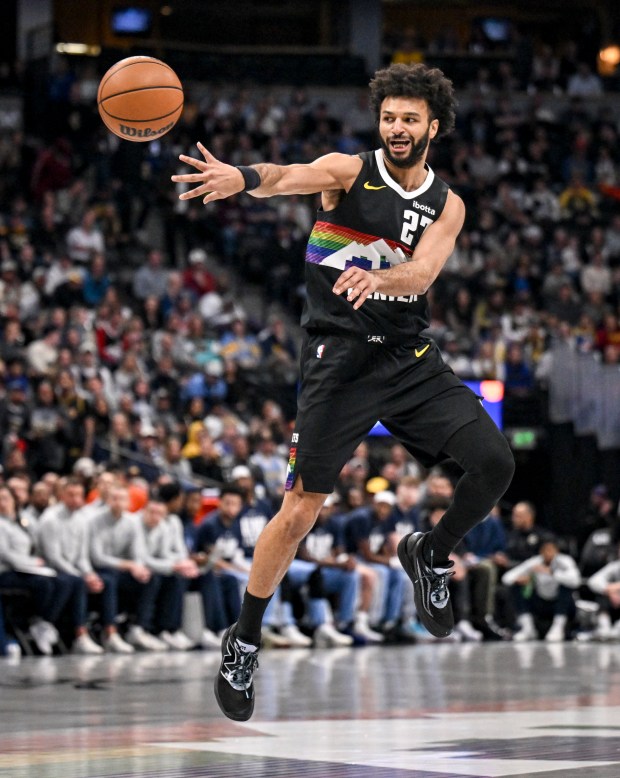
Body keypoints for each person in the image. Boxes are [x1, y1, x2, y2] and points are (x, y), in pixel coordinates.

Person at [173, 62, 515, 721]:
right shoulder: (349, 171)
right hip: (339, 358)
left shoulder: (449, 204)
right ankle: (244, 637)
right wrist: (239, 178)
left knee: (496, 463)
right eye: (389, 116)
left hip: (411, 359)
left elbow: (421, 273)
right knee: (300, 511)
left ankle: (430, 554)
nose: (396, 127)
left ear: (432, 127)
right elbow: (285, 177)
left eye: (409, 118)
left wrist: (379, 280)